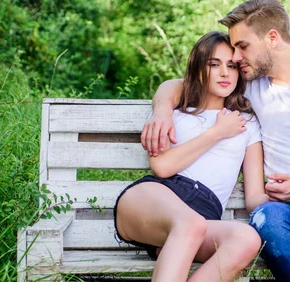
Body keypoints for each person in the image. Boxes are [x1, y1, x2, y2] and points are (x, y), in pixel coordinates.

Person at [142, 0, 290, 282]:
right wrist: (162, 110)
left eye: (243, 46)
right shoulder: (251, 88)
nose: (237, 58)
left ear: (272, 38)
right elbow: (180, 85)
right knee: (267, 217)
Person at [115, 31, 269, 282]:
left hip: (203, 215)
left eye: (231, 66)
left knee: (247, 239)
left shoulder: (247, 123)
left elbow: (254, 197)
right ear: (199, 69)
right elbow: (162, 168)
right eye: (214, 64)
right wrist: (216, 133)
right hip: (156, 197)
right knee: (190, 224)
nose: (224, 73)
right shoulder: (177, 111)